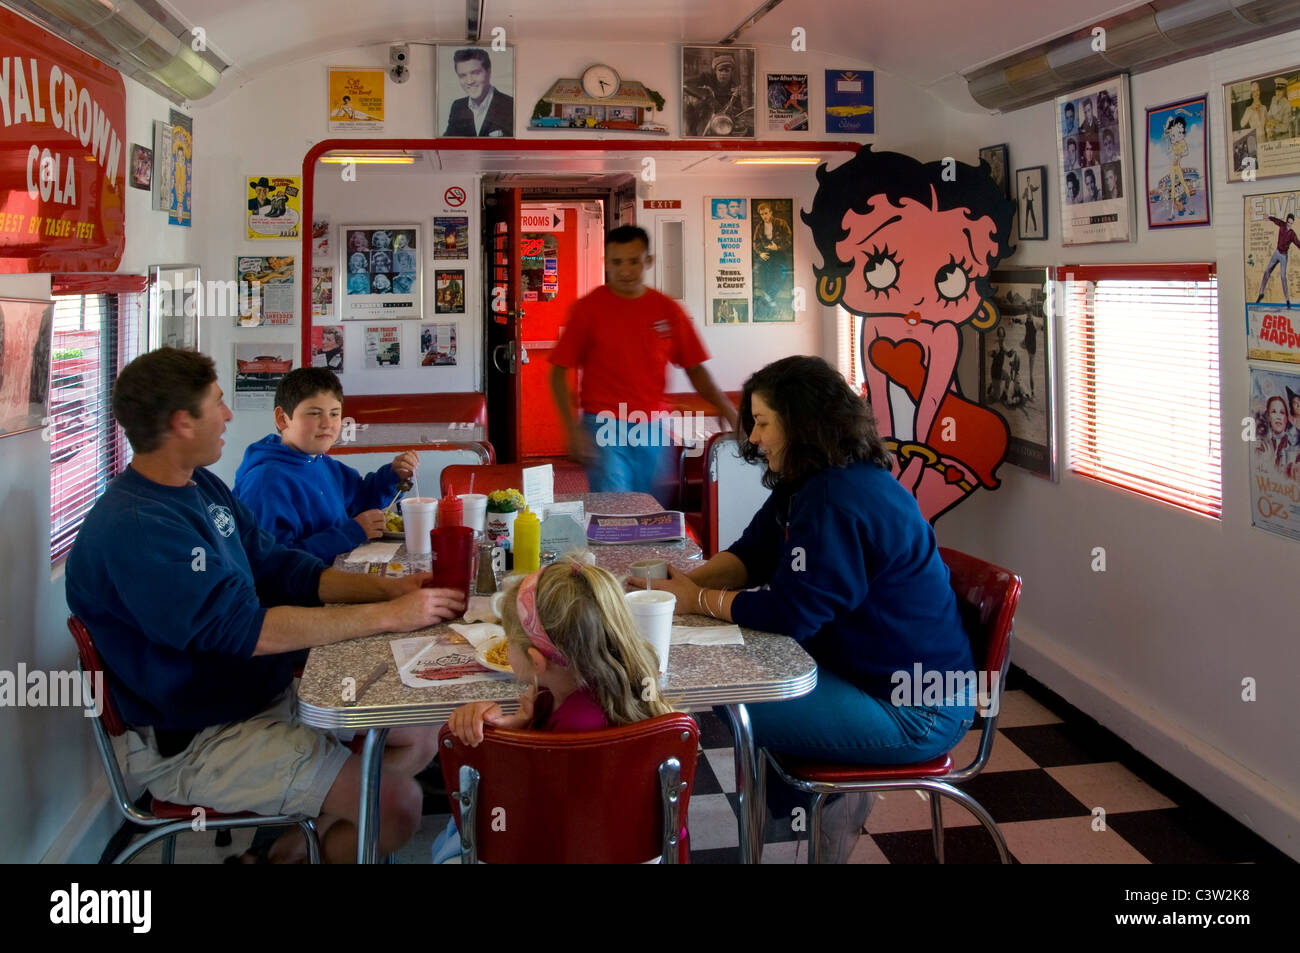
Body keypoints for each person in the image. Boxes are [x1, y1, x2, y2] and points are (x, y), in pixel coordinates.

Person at [66, 348, 465, 864]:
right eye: (218, 403)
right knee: (398, 807)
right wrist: (390, 616)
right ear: (182, 422)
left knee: (419, 734)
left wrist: (389, 590)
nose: (229, 414)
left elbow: (282, 565)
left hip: (255, 692)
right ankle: (296, 846)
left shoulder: (200, 485)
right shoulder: (139, 526)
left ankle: (283, 845)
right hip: (196, 736)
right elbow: (245, 630)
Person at [649, 356, 976, 862]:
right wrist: (681, 585)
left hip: (917, 711)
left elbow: (791, 614)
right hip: (869, 678)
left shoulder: (837, 500)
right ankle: (813, 810)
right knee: (738, 684)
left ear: (801, 422)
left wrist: (700, 603)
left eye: (762, 423)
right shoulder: (813, 481)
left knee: (738, 704)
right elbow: (751, 553)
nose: (753, 440)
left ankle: (825, 811)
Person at [804, 146, 1014, 523]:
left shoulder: (945, 333)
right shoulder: (875, 325)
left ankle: (910, 559)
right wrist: (891, 457)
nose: (919, 295)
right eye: (881, 267)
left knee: (910, 520)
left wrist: (914, 460)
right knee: (894, 517)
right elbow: (879, 400)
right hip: (894, 442)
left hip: (950, 437)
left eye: (952, 278)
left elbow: (933, 400)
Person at [430, 558, 674, 861]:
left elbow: (513, 818)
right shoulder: (612, 690)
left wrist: (493, 749)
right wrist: (520, 726)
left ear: (536, 661)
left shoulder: (573, 734)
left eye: (510, 640)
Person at [549, 225, 738, 500]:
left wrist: (724, 405)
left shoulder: (667, 310)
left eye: (633, 261)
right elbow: (558, 371)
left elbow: (694, 367)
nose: (625, 270)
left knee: (650, 508)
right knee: (614, 507)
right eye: (617, 262)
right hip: (603, 425)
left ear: (647, 261)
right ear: (607, 263)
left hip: (652, 428)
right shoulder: (588, 309)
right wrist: (571, 428)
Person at [234, 368, 419, 562]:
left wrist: (393, 475)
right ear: (282, 418)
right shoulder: (266, 481)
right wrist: (351, 533)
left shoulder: (323, 464)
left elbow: (361, 500)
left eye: (334, 414)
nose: (327, 424)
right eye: (314, 413)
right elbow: (273, 563)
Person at [443, 48, 514, 137]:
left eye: (475, 73)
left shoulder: (511, 106)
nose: (469, 81)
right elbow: (448, 142)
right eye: (462, 75)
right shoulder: (457, 107)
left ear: (488, 72)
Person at [683, 50, 752, 136]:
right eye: (720, 70)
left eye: (727, 70)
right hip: (698, 113)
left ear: (731, 72)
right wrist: (707, 97)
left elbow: (738, 110)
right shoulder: (705, 78)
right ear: (715, 71)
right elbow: (685, 85)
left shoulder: (734, 89)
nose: (723, 73)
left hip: (717, 119)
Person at [753, 201, 793, 318]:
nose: (764, 216)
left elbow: (789, 239)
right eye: (762, 214)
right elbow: (755, 242)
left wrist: (778, 247)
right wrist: (760, 253)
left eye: (766, 213)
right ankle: (770, 302)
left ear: (771, 212)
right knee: (766, 277)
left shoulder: (781, 223)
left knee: (782, 275)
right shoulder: (759, 226)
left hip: (779, 254)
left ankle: (767, 297)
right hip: (766, 255)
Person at [1255, 213, 1299, 307]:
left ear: (1292, 223)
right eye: (1288, 222)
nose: (1289, 225)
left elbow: (1298, 244)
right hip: (1277, 253)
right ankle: (1261, 293)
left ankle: (1287, 299)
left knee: (1283, 277)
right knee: (1267, 271)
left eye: (1291, 223)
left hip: (1283, 256)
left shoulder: (1292, 234)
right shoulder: (1282, 225)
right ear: (1286, 221)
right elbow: (1275, 220)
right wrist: (1269, 218)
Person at [1163, 114, 1195, 215]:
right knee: (1172, 186)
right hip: (1172, 166)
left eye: (1181, 130)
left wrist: (1179, 155)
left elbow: (1186, 152)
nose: (1179, 132)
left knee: (1183, 183)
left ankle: (1191, 207)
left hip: (1177, 165)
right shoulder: (1174, 140)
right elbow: (1168, 151)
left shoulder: (1182, 142)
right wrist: (1169, 140)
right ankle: (1172, 212)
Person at [1266, 77, 1293, 141]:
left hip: (1282, 137)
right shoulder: (1274, 99)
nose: (1277, 93)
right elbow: (1269, 115)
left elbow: (1285, 127)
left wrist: (1274, 125)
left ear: (1284, 91)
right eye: (1276, 90)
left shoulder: (1287, 105)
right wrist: (1273, 121)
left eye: (1280, 90)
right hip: (1272, 136)